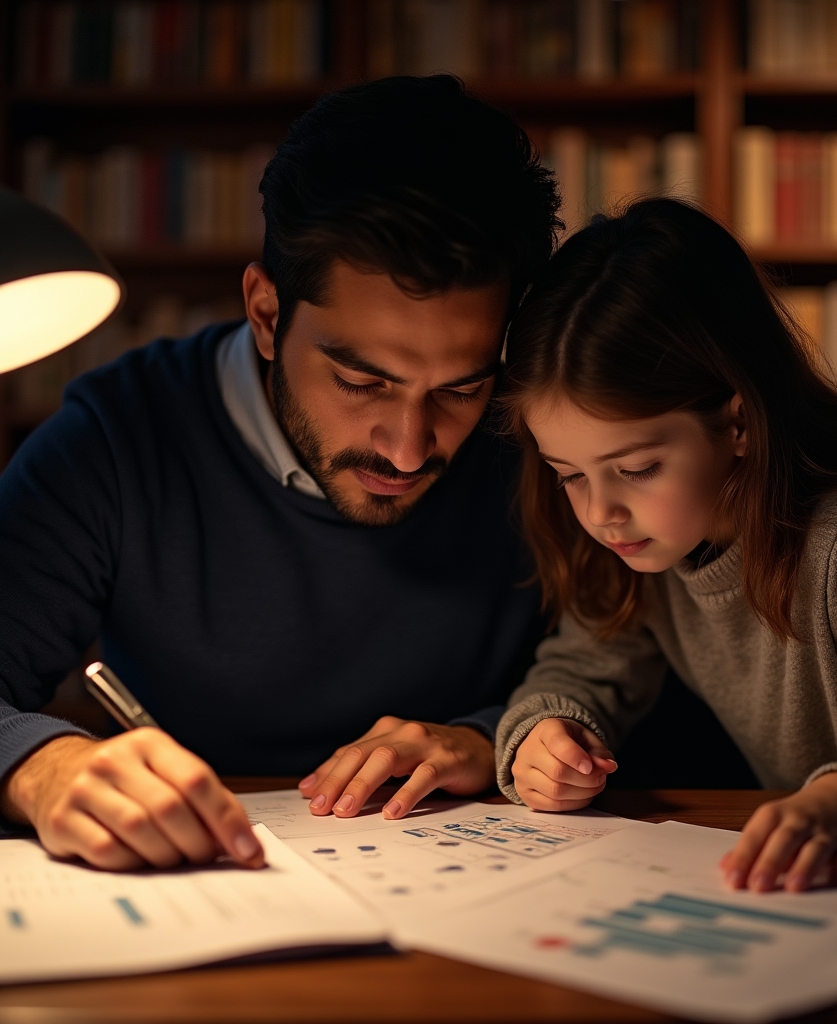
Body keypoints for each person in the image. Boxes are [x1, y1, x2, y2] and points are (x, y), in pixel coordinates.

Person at [0, 76, 560, 871]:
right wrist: (39, 766)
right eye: (362, 381)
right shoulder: (120, 440)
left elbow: (646, 680)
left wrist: (492, 735)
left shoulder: (548, 438)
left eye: (462, 387)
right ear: (266, 314)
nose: (408, 448)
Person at [494, 199, 837, 893]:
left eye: (637, 469)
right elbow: (580, 670)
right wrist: (546, 732)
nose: (600, 512)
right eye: (567, 475)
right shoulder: (641, 544)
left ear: (736, 423)